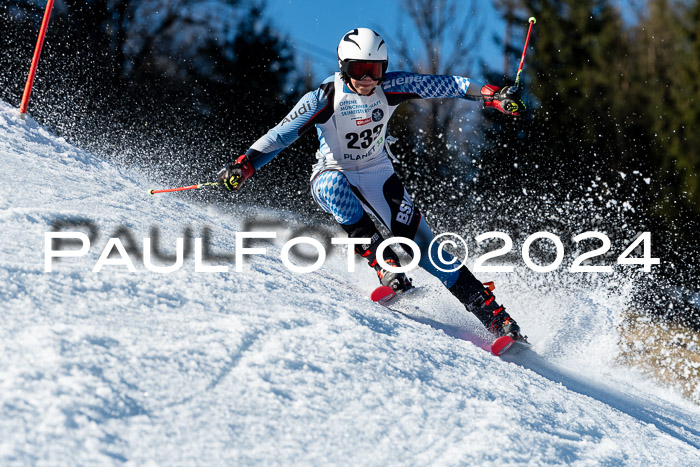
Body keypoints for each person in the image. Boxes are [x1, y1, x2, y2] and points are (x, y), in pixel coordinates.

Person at [218, 28, 527, 341]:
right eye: (358, 69)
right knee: (334, 188)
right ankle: (386, 265)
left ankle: (497, 319)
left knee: (427, 249)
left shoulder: (392, 86)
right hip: (333, 171)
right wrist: (245, 165)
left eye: (375, 70)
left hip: (378, 171)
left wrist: (491, 95)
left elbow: (448, 84)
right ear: (343, 67)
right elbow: (281, 135)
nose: (367, 79)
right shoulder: (324, 98)